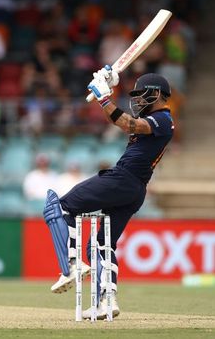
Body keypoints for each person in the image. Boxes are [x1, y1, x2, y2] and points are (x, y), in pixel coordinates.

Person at [42, 67, 174, 320]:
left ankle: (71, 264)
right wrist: (110, 86)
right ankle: (107, 300)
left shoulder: (163, 120)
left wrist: (104, 98)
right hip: (134, 190)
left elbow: (127, 123)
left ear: (157, 94)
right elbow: (123, 119)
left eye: (141, 94)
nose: (136, 99)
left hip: (123, 180)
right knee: (101, 243)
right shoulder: (156, 121)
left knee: (61, 207)